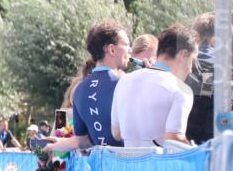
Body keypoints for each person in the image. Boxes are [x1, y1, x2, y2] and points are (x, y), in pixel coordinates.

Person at [47, 20, 130, 152]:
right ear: (111, 49)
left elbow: (82, 141)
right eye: (126, 44)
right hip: (130, 167)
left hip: (102, 170)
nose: (129, 50)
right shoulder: (125, 83)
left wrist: (57, 144)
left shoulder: (79, 90)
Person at [111, 24, 198, 147]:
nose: (190, 70)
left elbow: (116, 133)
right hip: (160, 164)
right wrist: (198, 153)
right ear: (183, 54)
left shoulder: (124, 81)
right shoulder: (181, 90)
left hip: (128, 164)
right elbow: (173, 139)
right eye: (192, 61)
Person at [185, 13, 217, 144]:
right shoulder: (225, 63)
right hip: (214, 143)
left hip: (183, 143)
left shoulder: (184, 60)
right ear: (214, 38)